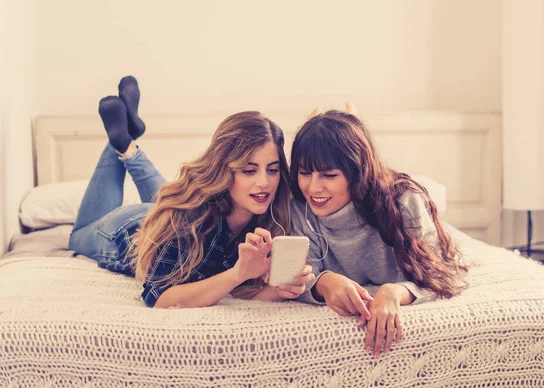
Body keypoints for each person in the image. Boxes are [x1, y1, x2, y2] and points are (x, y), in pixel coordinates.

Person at [68, 76, 314, 309]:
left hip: (168, 214)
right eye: (249, 171)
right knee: (77, 236)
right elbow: (158, 297)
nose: (264, 183)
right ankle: (122, 143)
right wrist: (237, 274)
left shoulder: (274, 210)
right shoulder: (190, 218)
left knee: (172, 197)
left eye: (272, 170)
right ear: (224, 169)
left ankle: (128, 143)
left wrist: (281, 290)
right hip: (126, 231)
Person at [289, 108, 468, 357]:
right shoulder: (299, 209)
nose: (312, 187)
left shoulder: (405, 201)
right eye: (304, 173)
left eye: (329, 175)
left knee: (432, 193)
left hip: (393, 199)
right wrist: (324, 282)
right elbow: (296, 283)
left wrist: (394, 291)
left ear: (356, 173)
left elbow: (439, 276)